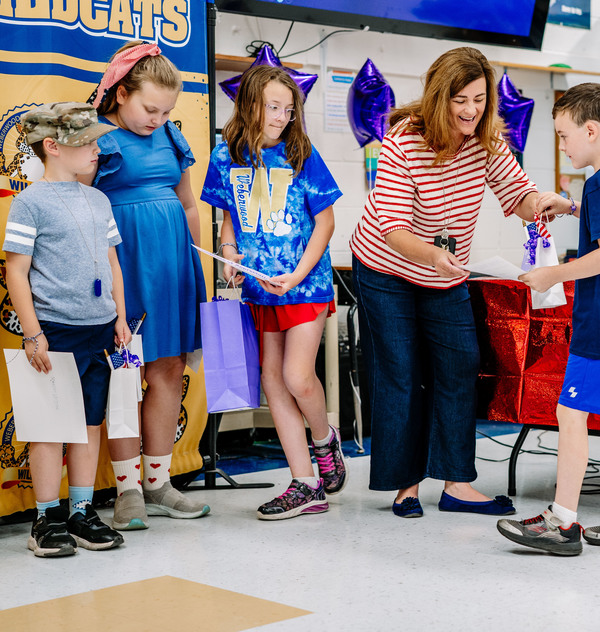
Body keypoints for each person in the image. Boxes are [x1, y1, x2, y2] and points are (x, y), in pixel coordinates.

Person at [349, 47, 550, 518]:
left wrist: (544, 203)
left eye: (479, 99)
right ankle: (406, 487)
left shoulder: (485, 141)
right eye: (460, 99)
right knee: (403, 371)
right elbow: (394, 229)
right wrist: (437, 256)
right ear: (440, 98)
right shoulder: (403, 143)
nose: (470, 110)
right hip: (386, 268)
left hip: (443, 272)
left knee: (461, 363)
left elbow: (517, 194)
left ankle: (458, 483)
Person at [496, 83, 600, 556]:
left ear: (590, 130)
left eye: (563, 135)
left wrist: (554, 273)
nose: (561, 144)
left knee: (570, 413)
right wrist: (570, 206)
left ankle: (562, 521)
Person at [201, 65, 346, 520]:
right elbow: (229, 219)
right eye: (273, 107)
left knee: (298, 376)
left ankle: (324, 440)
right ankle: (305, 483)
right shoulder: (226, 155)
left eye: (289, 109)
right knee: (271, 380)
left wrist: (299, 274)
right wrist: (230, 257)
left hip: (307, 285)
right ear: (249, 105)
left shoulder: (301, 152)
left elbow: (325, 222)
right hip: (260, 291)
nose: (282, 117)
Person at [87, 41, 209, 529]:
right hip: (122, 267)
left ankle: (158, 482)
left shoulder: (171, 139)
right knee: (122, 374)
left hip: (173, 266)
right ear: (120, 95)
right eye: (149, 108)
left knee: (168, 369)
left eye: (166, 110)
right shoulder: (96, 140)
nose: (157, 118)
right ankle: (127, 490)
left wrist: (196, 266)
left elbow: (189, 205)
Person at [5, 103, 130, 556]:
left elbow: (112, 260)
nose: (97, 150)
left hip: (98, 329)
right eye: (88, 143)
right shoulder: (30, 201)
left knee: (89, 424)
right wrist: (34, 332)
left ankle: (80, 511)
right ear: (53, 147)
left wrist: (119, 315)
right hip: (54, 333)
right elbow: (16, 271)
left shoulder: (99, 199)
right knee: (49, 428)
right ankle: (45, 517)